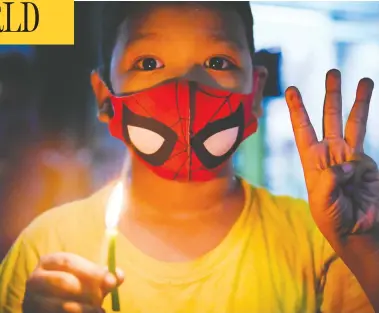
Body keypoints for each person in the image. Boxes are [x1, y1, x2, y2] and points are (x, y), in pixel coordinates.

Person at [1, 2, 379, 313]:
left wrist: (365, 249)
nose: (185, 87)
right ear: (104, 96)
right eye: (148, 63)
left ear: (255, 90)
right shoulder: (47, 247)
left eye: (218, 62)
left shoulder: (323, 240)